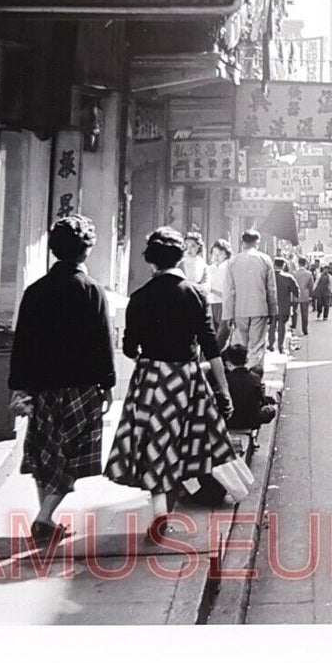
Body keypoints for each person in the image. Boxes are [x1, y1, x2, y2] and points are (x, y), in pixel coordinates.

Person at [106, 227, 236, 536]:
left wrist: (148, 362)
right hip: (187, 379)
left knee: (156, 443)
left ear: (151, 261)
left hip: (150, 379)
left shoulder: (138, 298)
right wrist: (224, 389)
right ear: (180, 258)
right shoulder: (195, 293)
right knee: (187, 443)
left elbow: (128, 347)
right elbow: (210, 345)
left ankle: (160, 509)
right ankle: (169, 507)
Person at [8, 215, 117, 545]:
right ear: (86, 251)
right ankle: (44, 517)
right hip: (80, 387)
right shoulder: (91, 290)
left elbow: (22, 340)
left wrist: (19, 385)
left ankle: (47, 520)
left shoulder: (35, 291)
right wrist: (108, 383)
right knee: (69, 453)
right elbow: (103, 339)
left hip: (42, 386)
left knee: (46, 454)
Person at [222, 229, 278, 376]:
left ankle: (239, 378)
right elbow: (271, 289)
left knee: (240, 346)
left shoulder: (233, 262)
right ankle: (254, 378)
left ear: (243, 242)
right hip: (260, 309)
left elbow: (229, 291)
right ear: (257, 243)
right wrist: (273, 311)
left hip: (239, 310)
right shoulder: (265, 260)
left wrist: (228, 315)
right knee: (257, 346)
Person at [220, 344, 278, 431]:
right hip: (251, 420)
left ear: (228, 363)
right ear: (246, 360)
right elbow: (260, 401)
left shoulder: (225, 380)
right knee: (271, 410)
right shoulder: (255, 378)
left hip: (230, 421)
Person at [271, 258, 299, 353]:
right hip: (284, 306)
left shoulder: (269, 277)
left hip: (270, 305)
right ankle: (280, 346)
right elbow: (296, 291)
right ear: (283, 266)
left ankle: (271, 344)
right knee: (282, 325)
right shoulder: (288, 277)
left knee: (272, 324)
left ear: (274, 265)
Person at [207, 238, 232, 335]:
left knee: (222, 333)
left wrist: (212, 290)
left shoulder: (228, 269)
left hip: (223, 304)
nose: (216, 256)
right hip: (210, 303)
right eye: (214, 253)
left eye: (220, 254)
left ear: (226, 255)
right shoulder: (209, 269)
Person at [181, 231, 209, 298]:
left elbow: (206, 285)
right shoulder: (179, 264)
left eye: (193, 246)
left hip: (198, 298)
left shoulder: (203, 265)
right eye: (186, 245)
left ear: (198, 247)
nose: (189, 249)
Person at [291, 255, 315, 334]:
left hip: (295, 295)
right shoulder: (309, 274)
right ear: (305, 264)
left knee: (294, 312)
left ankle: (293, 326)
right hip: (305, 295)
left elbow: (292, 285)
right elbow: (311, 286)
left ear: (298, 264)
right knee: (305, 313)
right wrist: (311, 296)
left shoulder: (294, 273)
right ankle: (305, 329)